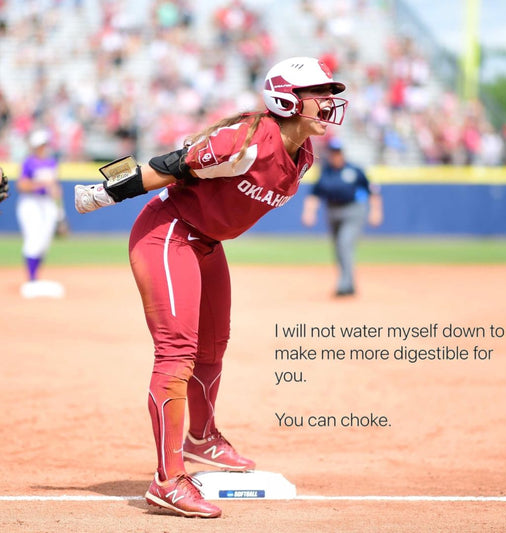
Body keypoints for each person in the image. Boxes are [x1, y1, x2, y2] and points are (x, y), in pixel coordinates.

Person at [74, 57, 348, 519]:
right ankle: (167, 481)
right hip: (169, 232)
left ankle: (202, 438)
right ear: (286, 99)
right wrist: (104, 193)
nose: (328, 100)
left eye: (329, 91)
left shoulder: (304, 157)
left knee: (214, 345)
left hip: (206, 242)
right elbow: (171, 166)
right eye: (317, 92)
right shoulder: (245, 141)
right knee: (177, 351)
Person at [301, 138, 383, 296]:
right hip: (332, 210)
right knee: (338, 247)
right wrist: (309, 212)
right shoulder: (326, 172)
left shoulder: (354, 170)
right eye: (333, 152)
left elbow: (373, 192)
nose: (335, 155)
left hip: (353, 210)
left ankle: (344, 284)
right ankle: (349, 283)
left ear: (343, 153)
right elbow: (314, 194)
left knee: (345, 243)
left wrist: (376, 212)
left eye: (338, 152)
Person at [16, 129, 66, 298]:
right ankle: (31, 280)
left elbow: (55, 187)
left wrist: (60, 211)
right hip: (31, 203)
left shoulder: (52, 162)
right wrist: (41, 184)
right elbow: (22, 186)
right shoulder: (28, 162)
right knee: (33, 239)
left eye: (45, 144)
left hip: (47, 204)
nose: (44, 147)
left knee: (44, 241)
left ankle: (35, 277)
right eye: (41, 145)